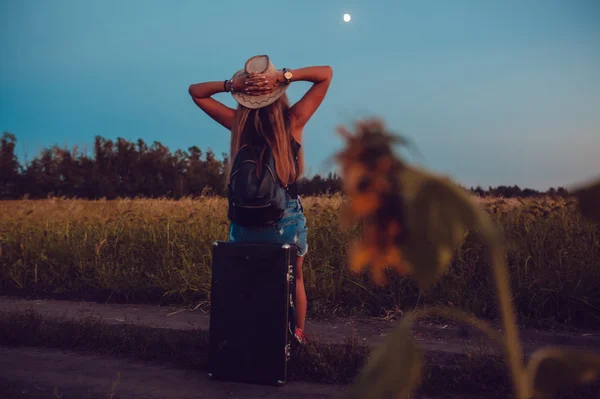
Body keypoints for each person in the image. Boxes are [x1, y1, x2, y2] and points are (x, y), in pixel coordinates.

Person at [188, 55, 333, 343]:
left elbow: (196, 91)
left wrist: (231, 84)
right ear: (277, 92)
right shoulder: (293, 122)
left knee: (249, 281)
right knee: (295, 280)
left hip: (243, 218)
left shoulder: (238, 125)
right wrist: (285, 77)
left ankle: (249, 340)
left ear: (244, 95)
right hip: (286, 215)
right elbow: (325, 74)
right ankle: (296, 339)